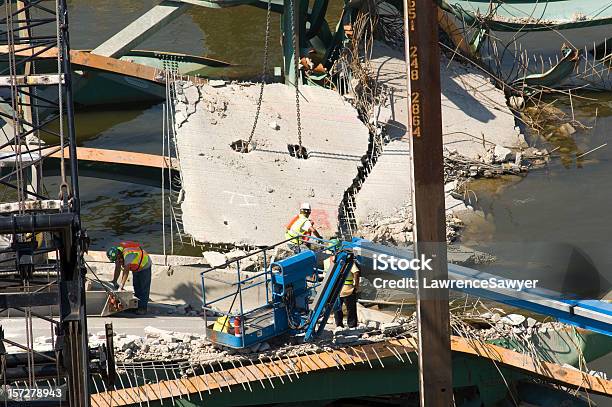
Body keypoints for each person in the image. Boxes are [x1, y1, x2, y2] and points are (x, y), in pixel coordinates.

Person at [107, 242, 152, 315]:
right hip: (136, 267)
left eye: (117, 259)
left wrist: (121, 286)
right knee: (136, 286)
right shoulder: (118, 253)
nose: (117, 261)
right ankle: (136, 306)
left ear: (119, 255)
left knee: (143, 288)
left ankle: (143, 308)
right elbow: (117, 268)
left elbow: (126, 272)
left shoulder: (128, 255)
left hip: (144, 265)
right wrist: (114, 281)